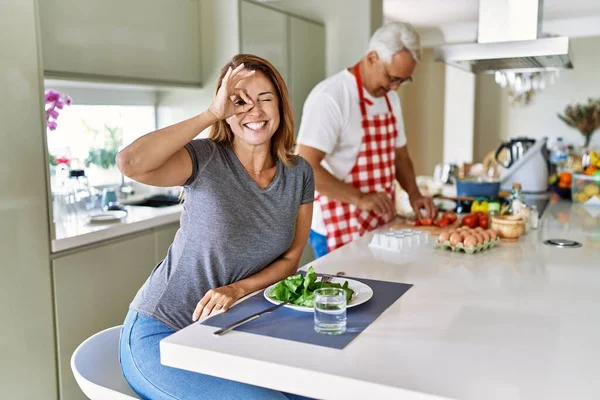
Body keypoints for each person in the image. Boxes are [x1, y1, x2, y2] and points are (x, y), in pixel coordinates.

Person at [116, 54, 314, 400]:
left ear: (281, 106)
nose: (254, 110)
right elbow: (130, 162)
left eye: (265, 98)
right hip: (163, 332)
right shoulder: (204, 158)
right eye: (239, 101)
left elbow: (291, 258)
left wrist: (237, 289)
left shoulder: (299, 173)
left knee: (315, 390)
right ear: (225, 108)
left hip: (230, 333)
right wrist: (210, 114)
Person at [297, 22, 436, 258]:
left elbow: (400, 156)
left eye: (403, 81)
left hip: (378, 221)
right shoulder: (331, 97)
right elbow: (304, 166)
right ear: (372, 57)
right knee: (344, 292)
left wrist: (414, 194)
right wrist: (360, 198)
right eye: (392, 78)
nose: (395, 88)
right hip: (335, 223)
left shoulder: (390, 99)